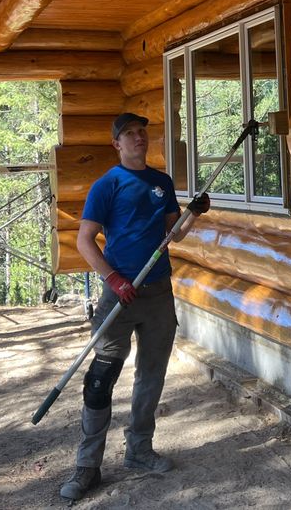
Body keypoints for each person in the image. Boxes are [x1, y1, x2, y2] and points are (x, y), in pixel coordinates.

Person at [60, 111, 209, 503]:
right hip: (120, 294)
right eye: (129, 133)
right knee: (100, 377)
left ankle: (139, 450)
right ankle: (87, 465)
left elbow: (172, 234)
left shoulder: (161, 182)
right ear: (117, 144)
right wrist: (113, 278)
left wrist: (194, 213)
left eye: (141, 132)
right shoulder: (106, 186)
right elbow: (85, 241)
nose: (138, 138)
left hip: (158, 291)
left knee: (151, 375)